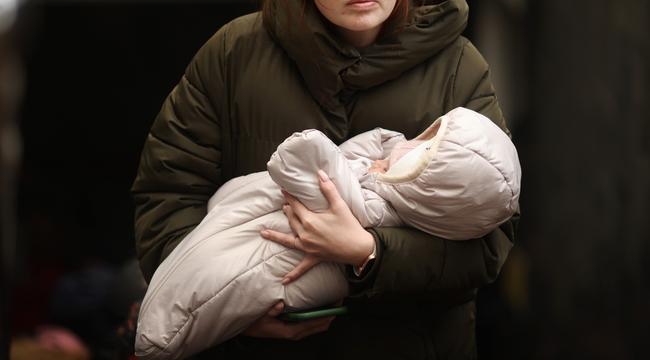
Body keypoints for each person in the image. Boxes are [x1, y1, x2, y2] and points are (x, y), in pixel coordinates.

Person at [131, 0, 519, 358]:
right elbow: (166, 196)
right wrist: (232, 306)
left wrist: (368, 251)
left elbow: (491, 239)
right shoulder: (233, 55)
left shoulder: (458, 68)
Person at [134, 107, 521, 360]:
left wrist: (369, 252)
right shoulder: (232, 51)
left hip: (385, 330)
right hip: (254, 307)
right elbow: (169, 184)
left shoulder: (379, 205)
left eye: (422, 147)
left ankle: (158, 338)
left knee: (225, 280)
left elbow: (304, 162)